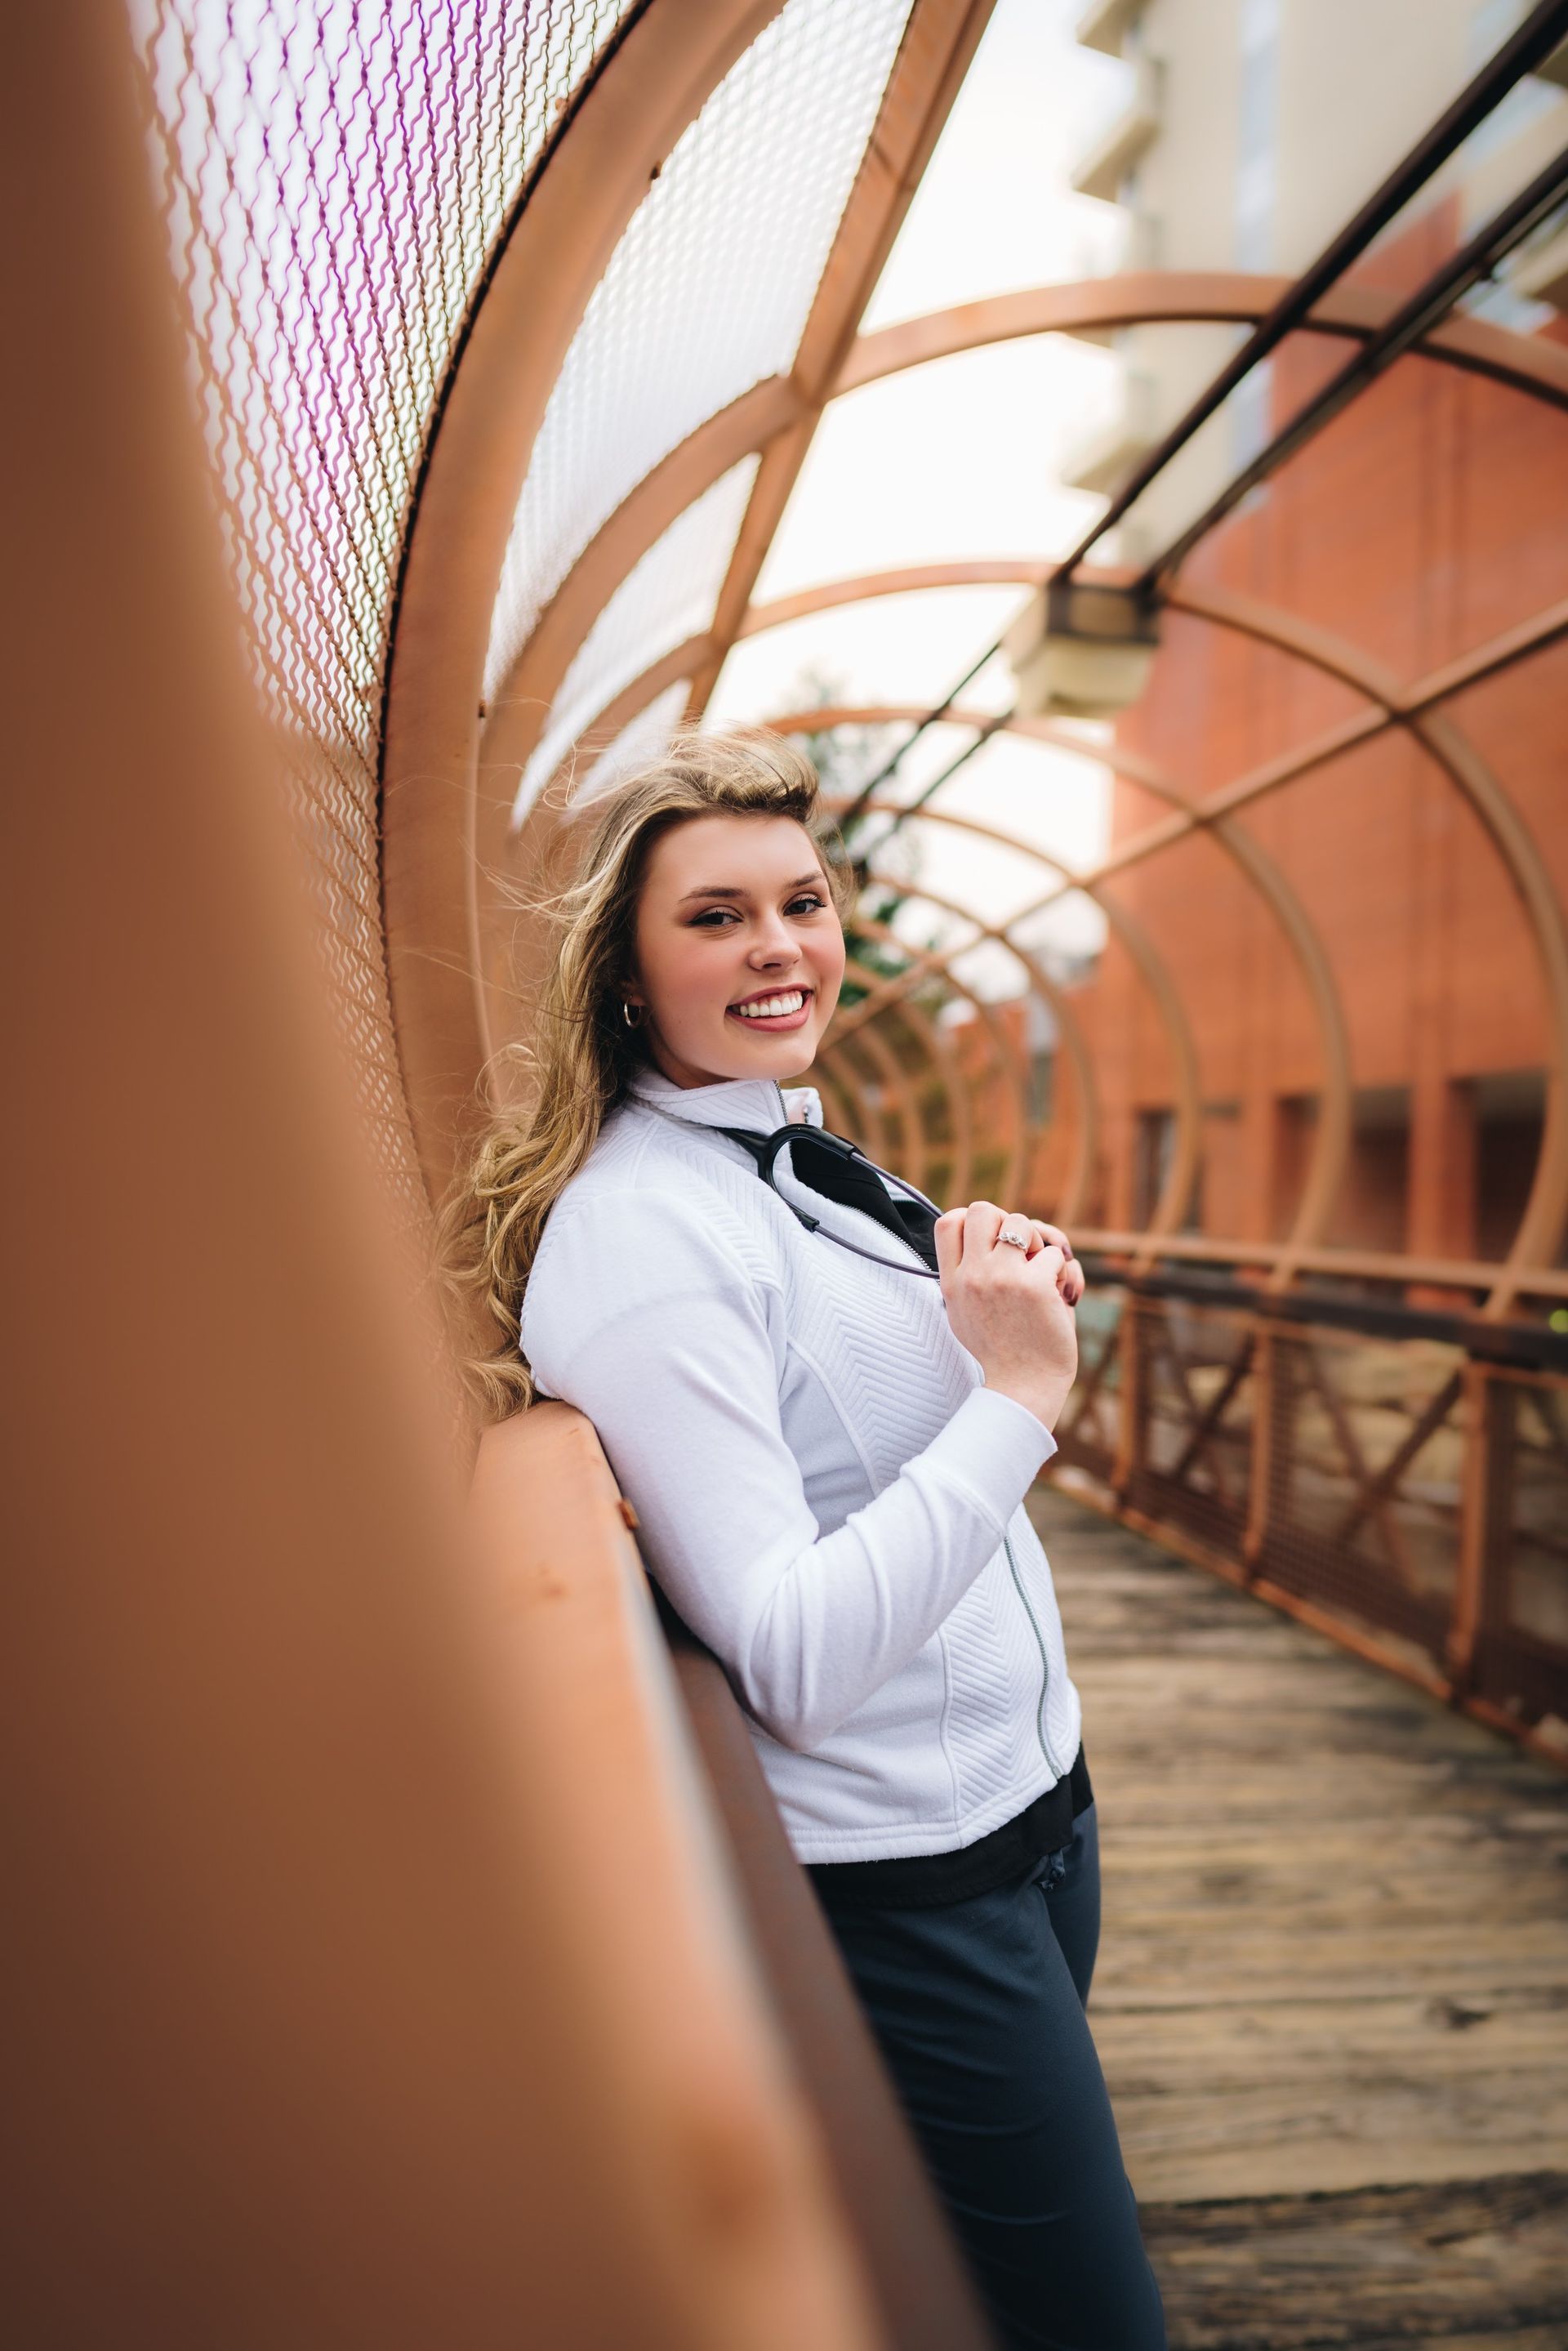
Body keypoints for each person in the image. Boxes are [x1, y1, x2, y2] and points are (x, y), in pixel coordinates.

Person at [448, 730, 1166, 2350]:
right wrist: (1017, 1392)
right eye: (716, 915)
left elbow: (897, 1423)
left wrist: (983, 1283)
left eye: (804, 899)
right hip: (913, 1880)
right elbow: (792, 1653)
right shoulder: (649, 1240)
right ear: (629, 974)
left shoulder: (797, 1153)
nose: (780, 944)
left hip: (1035, 1807)